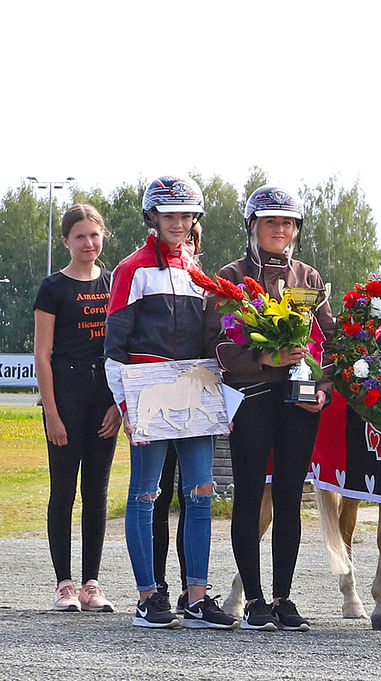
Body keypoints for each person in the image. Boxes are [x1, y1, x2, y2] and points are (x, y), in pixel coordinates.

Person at [105, 175, 236, 630]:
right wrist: (124, 403)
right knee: (145, 494)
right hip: (148, 392)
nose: (178, 223)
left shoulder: (199, 274)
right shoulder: (131, 270)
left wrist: (224, 399)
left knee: (202, 492)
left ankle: (196, 598)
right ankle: (147, 598)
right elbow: (114, 345)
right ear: (153, 217)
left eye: (186, 215)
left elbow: (213, 343)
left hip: (194, 396)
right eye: (170, 215)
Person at [204, 185, 334, 632]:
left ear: (296, 229)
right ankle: (254, 600)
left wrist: (324, 386)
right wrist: (264, 358)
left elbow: (330, 342)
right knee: (248, 495)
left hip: (299, 403)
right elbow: (215, 343)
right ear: (253, 226)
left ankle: (283, 597)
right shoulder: (232, 275)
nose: (279, 230)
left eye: (287, 223)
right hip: (254, 398)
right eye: (270, 222)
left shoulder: (310, 277)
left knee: (289, 499)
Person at [33, 204, 122, 613]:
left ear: (103, 237)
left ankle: (91, 583)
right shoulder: (53, 288)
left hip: (104, 394)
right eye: (80, 236)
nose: (89, 243)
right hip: (65, 392)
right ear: (66, 240)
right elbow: (43, 354)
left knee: (97, 492)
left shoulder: (114, 283)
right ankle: (64, 584)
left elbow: (123, 349)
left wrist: (118, 406)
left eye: (94, 235)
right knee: (64, 490)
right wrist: (51, 412)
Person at [151, 223, 200, 614]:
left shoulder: (204, 286)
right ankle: (157, 586)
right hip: (159, 398)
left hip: (194, 407)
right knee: (159, 495)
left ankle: (191, 588)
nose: (188, 245)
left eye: (193, 240)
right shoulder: (150, 278)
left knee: (192, 498)